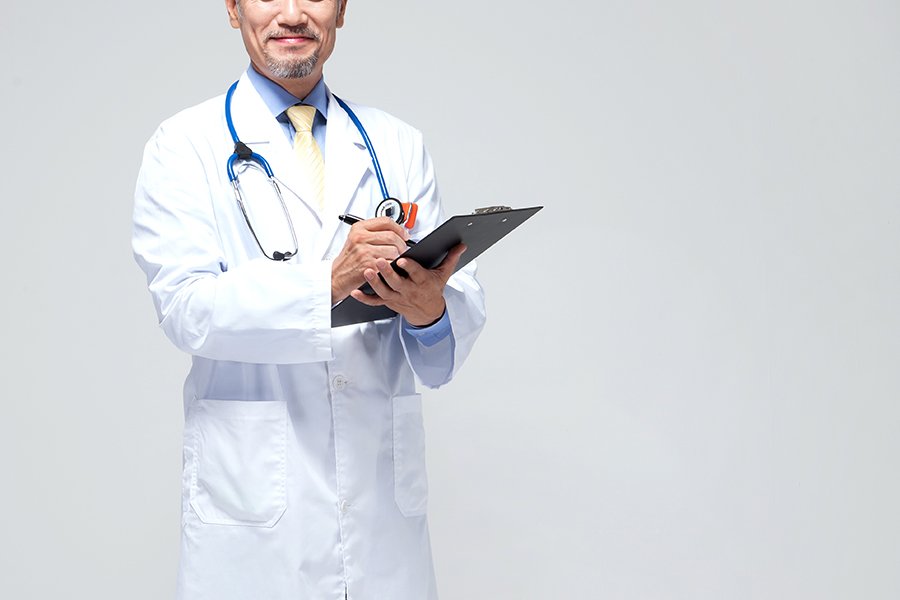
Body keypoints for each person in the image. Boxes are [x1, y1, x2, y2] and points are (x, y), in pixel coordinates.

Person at [131, 0, 486, 598]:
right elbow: (186, 309)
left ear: (342, 10)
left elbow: (446, 334)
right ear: (233, 8)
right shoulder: (184, 145)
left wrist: (429, 310)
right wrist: (328, 282)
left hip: (380, 521)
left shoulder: (396, 143)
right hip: (256, 520)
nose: (293, 13)